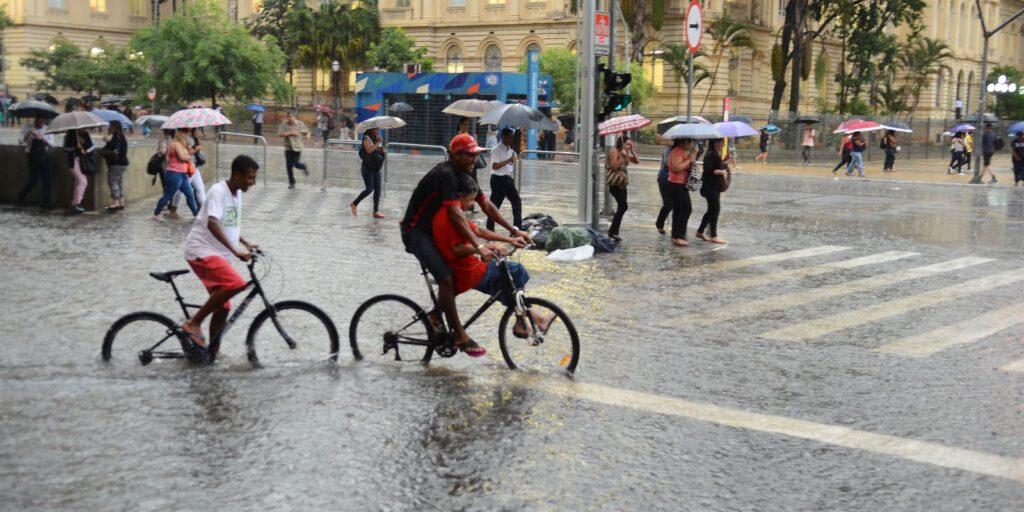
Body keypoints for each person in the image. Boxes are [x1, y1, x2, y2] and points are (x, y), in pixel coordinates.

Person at [399, 133, 530, 357]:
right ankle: (459, 334)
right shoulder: (446, 175)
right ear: (456, 155)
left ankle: (435, 315)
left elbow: (486, 205)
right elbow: (455, 214)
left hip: (434, 229)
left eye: (475, 155)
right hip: (416, 232)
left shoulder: (466, 174)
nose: (473, 160)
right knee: (447, 278)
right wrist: (479, 247)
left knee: (455, 276)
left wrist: (513, 230)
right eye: (470, 155)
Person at [433, 173, 554, 346]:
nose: (472, 204)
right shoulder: (450, 216)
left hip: (468, 265)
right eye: (470, 200)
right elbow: (456, 250)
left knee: (506, 285)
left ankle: (533, 319)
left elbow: (480, 232)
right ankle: (526, 321)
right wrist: (483, 248)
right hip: (466, 271)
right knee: (515, 271)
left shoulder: (453, 212)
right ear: (459, 197)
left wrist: (510, 238)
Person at [179, 155, 260, 363]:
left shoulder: (236, 194)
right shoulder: (218, 191)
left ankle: (211, 354)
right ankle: (193, 323)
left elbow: (230, 224)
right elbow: (213, 223)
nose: (253, 182)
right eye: (250, 178)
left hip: (218, 254)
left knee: (223, 307)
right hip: (201, 251)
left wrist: (246, 243)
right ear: (237, 174)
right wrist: (235, 251)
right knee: (236, 284)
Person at [153, 129, 199, 220]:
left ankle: (196, 215)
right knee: (167, 196)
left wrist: (191, 150)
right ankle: (156, 214)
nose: (187, 137)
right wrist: (189, 157)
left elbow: (186, 154)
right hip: (174, 174)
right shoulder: (176, 144)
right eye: (185, 135)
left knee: (190, 193)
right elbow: (182, 157)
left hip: (182, 174)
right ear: (180, 135)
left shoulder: (182, 145)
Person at [486, 127, 523, 233]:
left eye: (511, 137)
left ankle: (516, 227)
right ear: (503, 137)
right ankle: (517, 227)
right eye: (508, 137)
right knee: (511, 202)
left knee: (498, 205)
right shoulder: (497, 149)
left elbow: (509, 164)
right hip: (499, 179)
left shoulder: (509, 149)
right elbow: (495, 166)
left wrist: (512, 160)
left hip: (507, 179)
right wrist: (508, 160)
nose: (510, 140)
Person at [697, 138, 731, 244]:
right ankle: (713, 235)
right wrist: (722, 172)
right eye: (722, 143)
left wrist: (724, 162)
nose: (723, 145)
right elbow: (709, 169)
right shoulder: (712, 154)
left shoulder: (713, 154)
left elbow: (714, 166)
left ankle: (700, 231)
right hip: (710, 187)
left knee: (712, 210)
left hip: (712, 187)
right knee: (715, 210)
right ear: (716, 143)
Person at [17, 114, 54, 209]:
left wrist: (42, 138)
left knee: (47, 180)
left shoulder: (48, 129)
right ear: (36, 120)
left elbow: (52, 144)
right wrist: (29, 134)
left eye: (43, 121)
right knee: (34, 179)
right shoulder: (27, 127)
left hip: (44, 156)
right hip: (32, 157)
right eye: (40, 121)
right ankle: (22, 195)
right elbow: (20, 141)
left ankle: (46, 202)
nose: (42, 123)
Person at [606, 135, 637, 241]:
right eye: (627, 144)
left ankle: (614, 232)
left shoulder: (626, 152)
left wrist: (631, 150)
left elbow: (636, 161)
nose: (628, 146)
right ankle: (612, 231)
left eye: (630, 144)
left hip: (622, 183)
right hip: (615, 183)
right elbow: (614, 167)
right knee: (623, 206)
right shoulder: (614, 151)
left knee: (622, 207)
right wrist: (620, 156)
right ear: (621, 143)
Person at [350, 127, 386, 218]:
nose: (378, 130)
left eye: (378, 129)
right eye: (377, 129)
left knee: (378, 189)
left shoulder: (376, 138)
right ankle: (354, 204)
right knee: (369, 189)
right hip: (367, 167)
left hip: (375, 167)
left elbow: (380, 150)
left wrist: (382, 149)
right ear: (371, 129)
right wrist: (377, 143)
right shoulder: (366, 138)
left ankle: (376, 211)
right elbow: (368, 150)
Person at [667, 138, 695, 247]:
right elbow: (676, 168)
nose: (691, 144)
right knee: (686, 209)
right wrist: (689, 160)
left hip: (681, 183)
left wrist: (691, 159)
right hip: (676, 184)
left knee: (678, 210)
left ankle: (676, 235)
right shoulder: (676, 152)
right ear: (684, 142)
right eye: (690, 142)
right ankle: (679, 236)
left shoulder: (683, 152)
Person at [63, 127, 94, 215]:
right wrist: (75, 147)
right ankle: (76, 203)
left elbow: (92, 147)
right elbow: (65, 149)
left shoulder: (86, 135)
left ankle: (75, 204)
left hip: (82, 161)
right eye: (83, 128)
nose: (84, 130)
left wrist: (84, 148)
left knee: (78, 181)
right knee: (83, 181)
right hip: (72, 161)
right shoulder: (70, 135)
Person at [101, 120, 129, 212]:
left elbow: (113, 147)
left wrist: (106, 140)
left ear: (115, 127)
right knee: (118, 182)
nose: (109, 128)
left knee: (112, 182)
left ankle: (115, 201)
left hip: (117, 163)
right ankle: (121, 201)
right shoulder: (121, 136)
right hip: (122, 163)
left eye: (110, 126)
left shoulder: (117, 137)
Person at [278, 111, 309, 189]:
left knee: (296, 164)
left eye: (291, 117)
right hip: (288, 147)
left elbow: (307, 131)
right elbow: (280, 134)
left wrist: (308, 136)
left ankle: (304, 166)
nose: (289, 119)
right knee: (289, 166)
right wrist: (291, 133)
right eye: (288, 117)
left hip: (297, 147)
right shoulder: (284, 124)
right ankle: (292, 183)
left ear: (294, 117)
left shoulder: (300, 124)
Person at [654, 143, 674, 235]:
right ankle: (660, 223)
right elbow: (667, 162)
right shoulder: (668, 149)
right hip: (665, 178)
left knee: (675, 204)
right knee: (668, 203)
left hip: (674, 179)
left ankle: (676, 227)